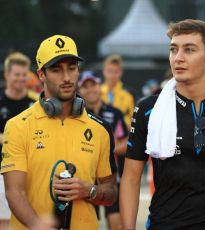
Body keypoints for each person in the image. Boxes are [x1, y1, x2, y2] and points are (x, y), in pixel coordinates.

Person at [120, 19, 205, 229]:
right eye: (173, 49)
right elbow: (131, 179)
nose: (178, 58)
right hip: (166, 224)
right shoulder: (147, 109)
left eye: (189, 50)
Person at [0, 35, 117, 230]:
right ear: (41, 75)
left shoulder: (100, 129)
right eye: (56, 70)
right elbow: (14, 192)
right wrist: (36, 224)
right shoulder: (17, 126)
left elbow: (111, 191)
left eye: (72, 68)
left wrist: (89, 190)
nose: (66, 77)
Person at [78, 70, 128, 230]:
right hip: (86, 179)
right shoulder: (77, 116)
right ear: (80, 91)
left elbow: (128, 141)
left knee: (116, 224)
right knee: (86, 224)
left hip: (110, 178)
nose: (90, 89)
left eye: (93, 85)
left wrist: (106, 150)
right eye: (85, 87)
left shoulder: (115, 113)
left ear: (100, 87)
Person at [0, 52, 36, 230]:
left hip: (32, 171)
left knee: (30, 219)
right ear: (6, 75)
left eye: (24, 74)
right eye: (17, 74)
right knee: (5, 221)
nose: (21, 79)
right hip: (3, 171)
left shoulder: (35, 103)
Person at [101, 55, 135, 129]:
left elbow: (132, 120)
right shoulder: (98, 93)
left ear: (121, 72)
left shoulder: (128, 95)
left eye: (116, 71)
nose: (112, 75)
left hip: (121, 135)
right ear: (104, 71)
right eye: (109, 71)